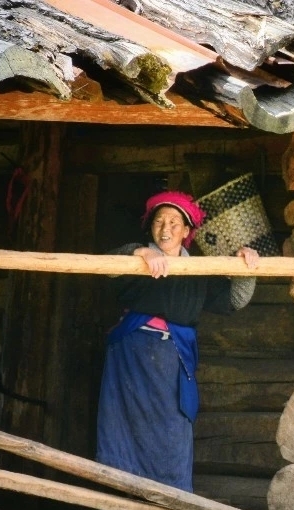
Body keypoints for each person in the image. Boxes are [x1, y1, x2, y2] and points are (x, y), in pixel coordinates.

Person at [96, 191, 259, 492]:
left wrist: (246, 269)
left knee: (171, 429)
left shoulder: (198, 270)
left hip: (173, 357)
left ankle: (165, 509)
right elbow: (105, 265)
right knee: (118, 424)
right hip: (129, 356)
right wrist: (139, 252)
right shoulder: (136, 259)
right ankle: (114, 505)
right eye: (159, 221)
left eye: (174, 222)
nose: (165, 229)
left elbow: (234, 300)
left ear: (186, 232)